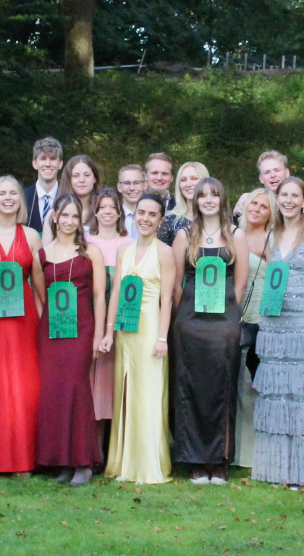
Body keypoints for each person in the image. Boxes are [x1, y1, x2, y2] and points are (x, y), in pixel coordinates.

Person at [251, 179, 304, 488]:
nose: (288, 200)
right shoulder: (271, 235)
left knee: (302, 395)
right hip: (274, 323)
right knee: (278, 395)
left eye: (294, 195)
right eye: (283, 195)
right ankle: (279, 470)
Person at [169, 176, 247, 483]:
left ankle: (220, 459)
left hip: (224, 323)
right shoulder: (184, 235)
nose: (209, 200)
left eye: (214, 195)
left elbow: (240, 283)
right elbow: (176, 283)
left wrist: (229, 313)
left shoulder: (236, 235)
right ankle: (195, 460)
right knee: (190, 388)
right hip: (190, 322)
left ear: (222, 199)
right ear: (196, 201)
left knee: (222, 387)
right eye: (203, 196)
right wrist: (184, 315)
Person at [0, 174, 46, 475]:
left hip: (24, 320)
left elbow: (40, 286)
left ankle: (25, 459)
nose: (7, 198)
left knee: (27, 387)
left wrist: (43, 324)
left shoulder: (31, 236)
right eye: (2, 193)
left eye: (13, 193)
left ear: (20, 199)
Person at [105, 192, 177, 484]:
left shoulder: (165, 252)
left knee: (148, 393)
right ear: (133, 215)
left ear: (160, 220)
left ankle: (148, 464)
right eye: (141, 213)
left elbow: (167, 299)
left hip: (150, 330)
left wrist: (162, 337)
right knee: (126, 393)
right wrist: (109, 331)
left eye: (152, 215)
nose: (145, 219)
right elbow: (116, 292)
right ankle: (123, 462)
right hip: (125, 330)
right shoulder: (123, 249)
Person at [38, 197, 106, 486]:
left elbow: (100, 295)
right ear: (54, 217)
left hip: (81, 328)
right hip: (52, 331)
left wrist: (99, 334)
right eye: (64, 215)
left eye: (74, 216)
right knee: (55, 392)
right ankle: (63, 461)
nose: (68, 221)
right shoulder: (42, 254)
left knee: (77, 389)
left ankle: (84, 461)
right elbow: (40, 293)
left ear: (81, 221)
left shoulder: (91, 252)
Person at [233, 186, 274, 468]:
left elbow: (275, 282)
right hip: (233, 312)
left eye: (264, 206)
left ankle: (255, 450)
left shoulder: (271, 239)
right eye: (253, 204)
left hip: (259, 316)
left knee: (253, 384)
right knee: (235, 382)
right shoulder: (234, 234)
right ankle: (236, 449)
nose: (256, 209)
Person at [83, 187, 127, 438]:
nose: (108, 212)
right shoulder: (85, 243)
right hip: (91, 319)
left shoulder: (129, 244)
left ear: (120, 212)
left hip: (121, 322)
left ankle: (116, 445)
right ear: (95, 211)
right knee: (92, 383)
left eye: (113, 207)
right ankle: (93, 445)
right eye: (103, 207)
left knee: (114, 383)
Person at [161, 160, 208, 244]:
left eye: (194, 178)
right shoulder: (170, 220)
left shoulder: (219, 219)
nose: (188, 184)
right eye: (183, 180)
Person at [23, 137, 65, 229]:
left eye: (53, 159)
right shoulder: (22, 197)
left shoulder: (68, 196)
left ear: (60, 164)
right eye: (43, 158)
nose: (48, 164)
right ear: (34, 163)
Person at [60, 154, 102, 227]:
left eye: (87, 175)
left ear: (94, 179)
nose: (82, 180)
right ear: (69, 179)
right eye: (76, 176)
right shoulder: (57, 211)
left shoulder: (104, 210)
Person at [116, 163, 145, 235]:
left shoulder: (152, 217)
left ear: (144, 185)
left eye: (136, 183)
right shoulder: (113, 216)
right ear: (119, 187)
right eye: (126, 183)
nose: (132, 188)